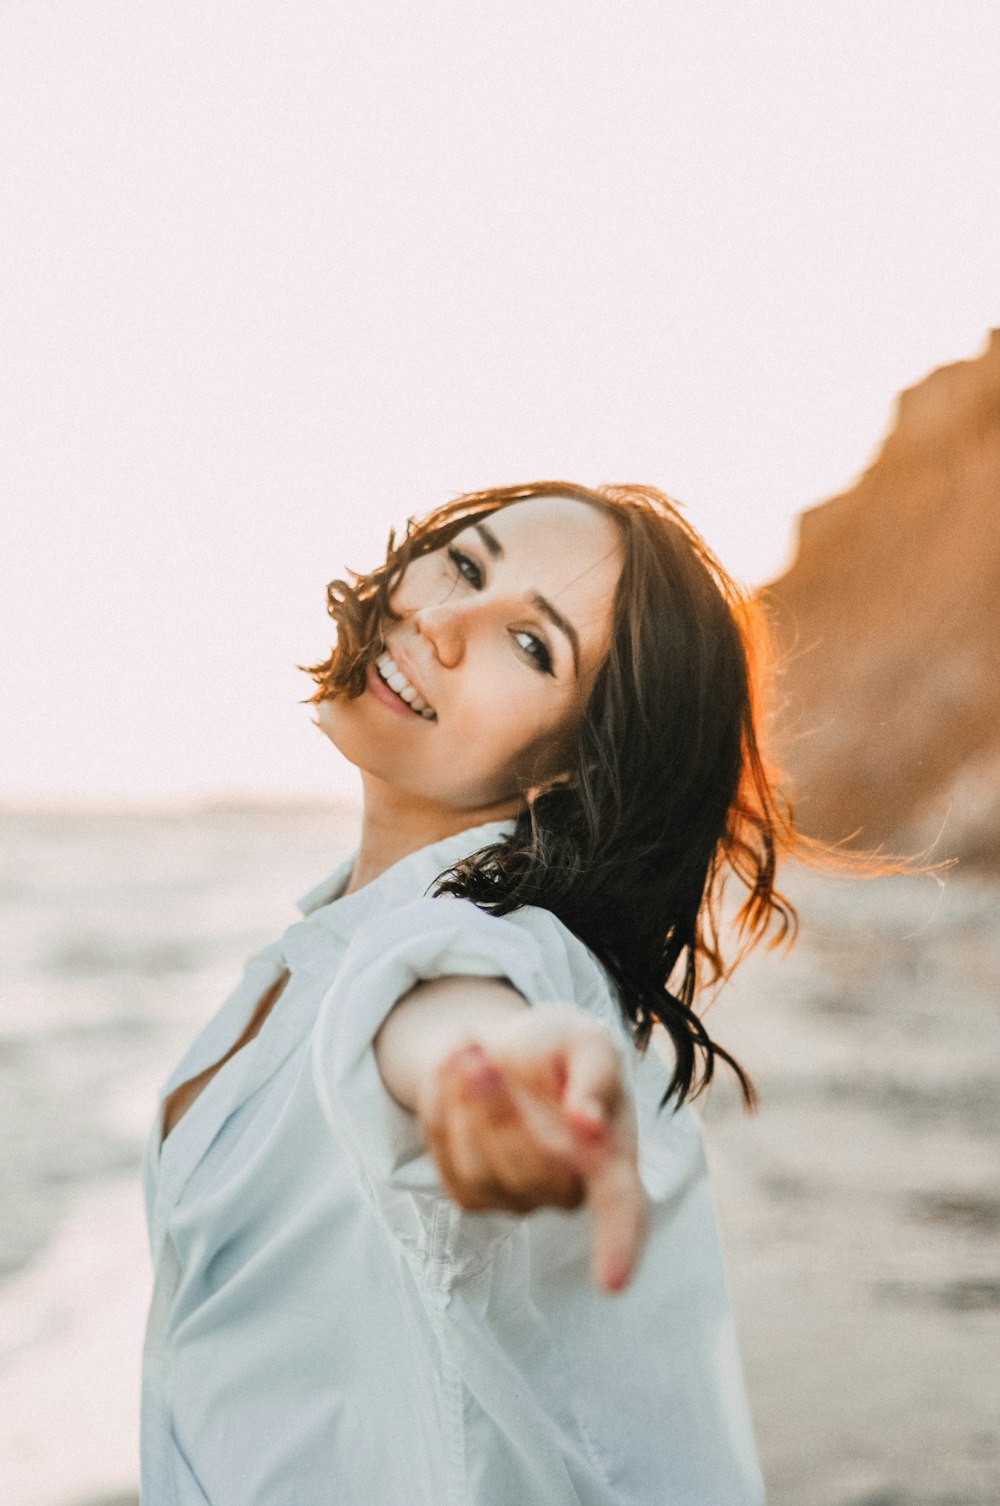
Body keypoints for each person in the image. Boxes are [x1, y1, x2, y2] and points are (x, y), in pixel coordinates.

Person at [141, 480, 796, 1505]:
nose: (439, 623)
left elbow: (441, 1000)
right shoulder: (317, 943)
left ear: (575, 769)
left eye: (530, 646)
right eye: (462, 564)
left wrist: (480, 1073)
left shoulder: (496, 951)